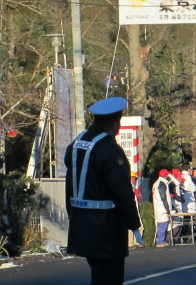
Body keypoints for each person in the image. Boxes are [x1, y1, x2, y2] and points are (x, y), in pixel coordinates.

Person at [64, 97, 142, 284]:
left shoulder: (77, 142)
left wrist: (72, 213)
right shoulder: (109, 149)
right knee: (110, 277)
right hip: (106, 226)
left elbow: (70, 181)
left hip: (81, 220)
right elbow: (121, 190)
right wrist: (133, 223)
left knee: (98, 275)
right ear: (116, 122)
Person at [152, 169, 173, 247]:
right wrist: (167, 208)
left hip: (158, 206)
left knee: (162, 223)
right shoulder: (161, 184)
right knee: (162, 223)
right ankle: (160, 241)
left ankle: (161, 240)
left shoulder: (157, 183)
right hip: (161, 207)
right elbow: (163, 197)